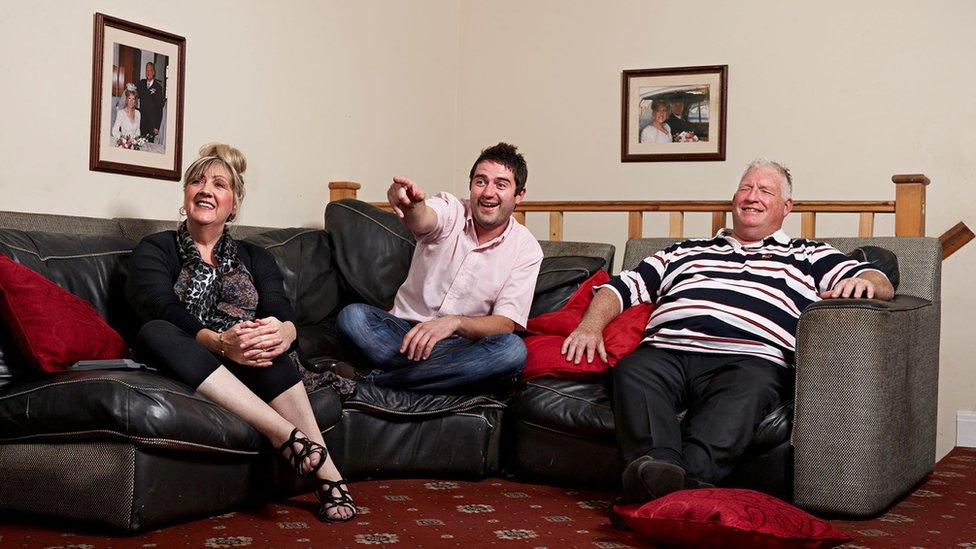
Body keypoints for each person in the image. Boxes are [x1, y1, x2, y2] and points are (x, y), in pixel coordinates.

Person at [560, 160, 893, 504]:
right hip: (665, 353)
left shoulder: (809, 254)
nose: (752, 197)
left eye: (765, 190)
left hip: (748, 359)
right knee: (632, 370)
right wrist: (590, 327)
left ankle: (671, 487)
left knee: (751, 384)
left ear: (786, 207)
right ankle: (664, 475)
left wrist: (863, 282)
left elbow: (878, 280)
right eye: (746, 188)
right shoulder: (684, 250)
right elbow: (621, 287)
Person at [126, 143, 355, 522]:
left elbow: (280, 308)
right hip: (188, 356)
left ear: (234, 203)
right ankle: (287, 436)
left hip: (245, 356)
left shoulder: (256, 257)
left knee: (266, 343)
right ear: (185, 196)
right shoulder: (156, 248)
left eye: (219, 184)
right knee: (155, 330)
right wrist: (217, 342)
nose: (205, 190)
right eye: (196, 181)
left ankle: (329, 477)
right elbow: (159, 307)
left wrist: (283, 331)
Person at [335, 143, 543, 393]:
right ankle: (440, 376)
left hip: (459, 346)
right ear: (470, 186)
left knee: (512, 351)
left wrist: (454, 323)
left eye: (501, 184)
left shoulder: (526, 248)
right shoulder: (452, 209)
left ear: (519, 195)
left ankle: (370, 382)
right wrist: (412, 207)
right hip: (401, 335)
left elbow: (505, 324)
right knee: (352, 317)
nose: (488, 192)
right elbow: (425, 218)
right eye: (480, 181)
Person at [137, 62, 165, 138]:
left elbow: (159, 108)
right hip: (141, 121)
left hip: (152, 123)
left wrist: (157, 126)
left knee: (150, 145)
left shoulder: (158, 87)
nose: (148, 72)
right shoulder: (141, 83)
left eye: (150, 70)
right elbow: (135, 96)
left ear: (153, 72)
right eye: (147, 70)